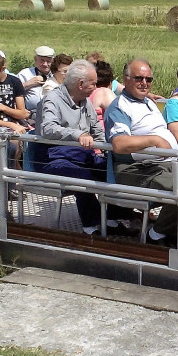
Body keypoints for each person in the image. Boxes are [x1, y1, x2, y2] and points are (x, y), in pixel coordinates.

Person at [105, 58, 178, 244]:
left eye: (148, 79)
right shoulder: (119, 107)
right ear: (125, 79)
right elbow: (119, 144)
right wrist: (154, 141)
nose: (144, 83)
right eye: (138, 78)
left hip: (166, 163)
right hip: (136, 169)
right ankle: (157, 235)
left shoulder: (149, 103)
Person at [37, 59, 121, 235]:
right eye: (93, 83)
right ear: (81, 84)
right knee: (82, 177)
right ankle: (92, 226)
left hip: (82, 156)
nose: (96, 87)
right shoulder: (52, 99)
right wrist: (78, 134)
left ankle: (115, 217)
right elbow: (48, 128)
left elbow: (97, 131)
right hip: (53, 159)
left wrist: (114, 148)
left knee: (116, 170)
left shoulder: (85, 101)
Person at [18, 45, 57, 113]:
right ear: (35, 59)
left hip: (54, 111)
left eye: (48, 61)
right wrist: (28, 84)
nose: (45, 64)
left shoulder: (57, 74)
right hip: (32, 113)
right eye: (42, 60)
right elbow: (13, 91)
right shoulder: (25, 74)